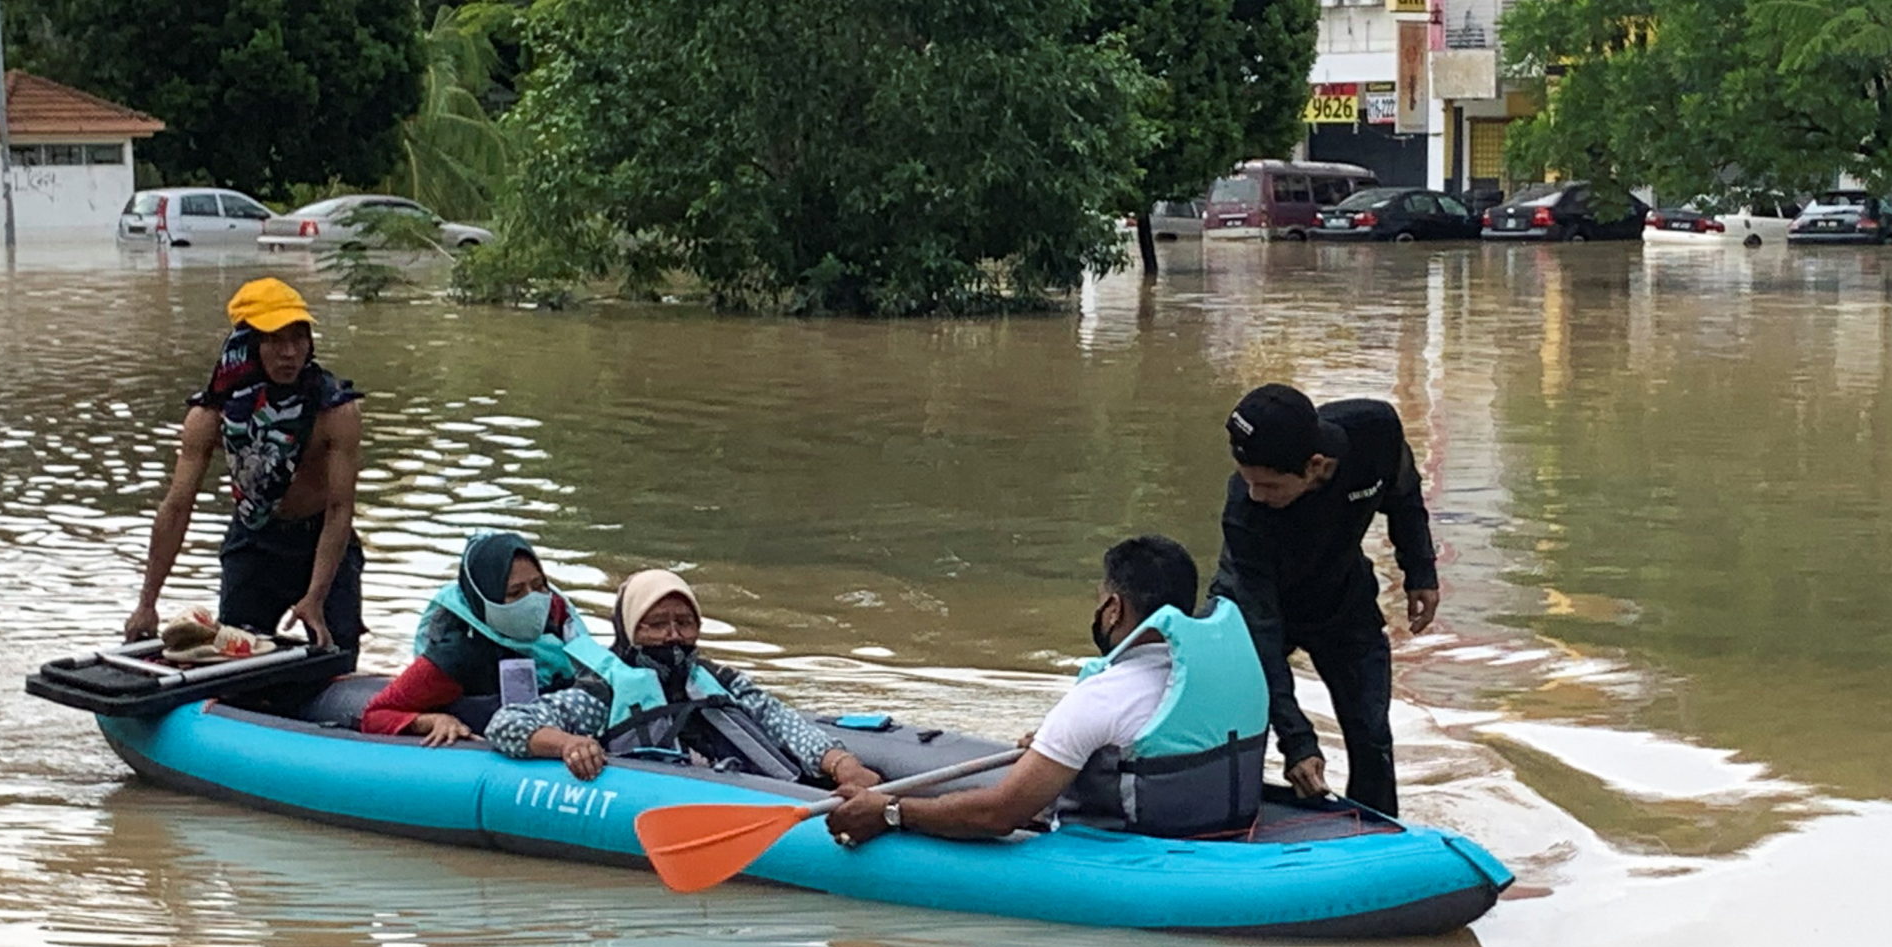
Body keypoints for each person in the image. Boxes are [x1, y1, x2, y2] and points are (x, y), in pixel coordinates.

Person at [830, 535, 1267, 848]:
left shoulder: (1102, 697)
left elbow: (998, 815)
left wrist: (891, 811)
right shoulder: (1231, 675)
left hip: (1124, 849)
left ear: (1113, 609)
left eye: (1101, 598)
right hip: (1218, 826)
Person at [1212, 382, 1438, 818]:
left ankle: (1378, 832)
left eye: (1268, 485)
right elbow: (1262, 631)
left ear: (1315, 466)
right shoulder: (1244, 511)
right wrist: (1297, 741)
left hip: (1341, 599)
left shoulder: (1375, 432)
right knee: (1230, 719)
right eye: (1247, 479)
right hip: (1256, 604)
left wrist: (1420, 570)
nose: (1255, 494)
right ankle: (1229, 818)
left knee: (1372, 734)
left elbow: (1404, 494)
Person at [125, 277, 364, 660]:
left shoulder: (334, 411)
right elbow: (177, 507)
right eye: (274, 340)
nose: (289, 353)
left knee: (335, 659)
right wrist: (147, 602)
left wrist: (316, 595)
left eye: (298, 338)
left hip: (322, 541)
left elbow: (340, 508)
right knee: (236, 657)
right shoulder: (210, 416)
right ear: (248, 345)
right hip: (254, 539)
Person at [484, 569, 884, 790]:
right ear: (629, 630)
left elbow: (781, 721)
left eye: (684, 622)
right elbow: (507, 723)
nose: (673, 635)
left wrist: (841, 764)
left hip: (748, 785)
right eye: (656, 624)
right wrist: (569, 743)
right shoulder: (603, 694)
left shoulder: (718, 680)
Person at [363, 531, 579, 742]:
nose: (533, 601)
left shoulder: (556, 615)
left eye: (539, 586)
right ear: (485, 597)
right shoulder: (456, 654)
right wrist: (431, 721)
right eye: (515, 593)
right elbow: (376, 715)